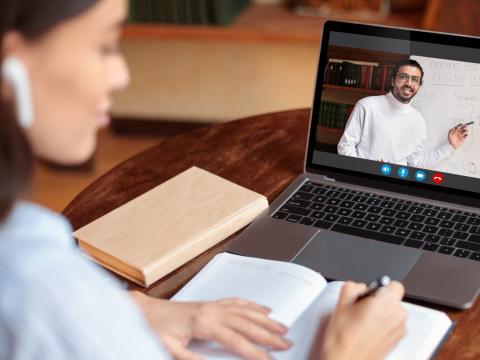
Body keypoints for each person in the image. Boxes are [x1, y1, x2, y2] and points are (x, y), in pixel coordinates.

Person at [0, 0, 406, 359]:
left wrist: (138, 310)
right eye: (103, 46)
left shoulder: (27, 233)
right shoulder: (36, 286)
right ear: (11, 64)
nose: (121, 74)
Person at [337, 59, 469, 168]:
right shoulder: (366, 105)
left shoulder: (418, 120)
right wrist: (368, 168)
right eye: (403, 77)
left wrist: (450, 146)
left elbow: (414, 162)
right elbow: (345, 146)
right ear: (393, 80)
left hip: (395, 186)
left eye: (415, 79)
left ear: (418, 86)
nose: (409, 84)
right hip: (363, 182)